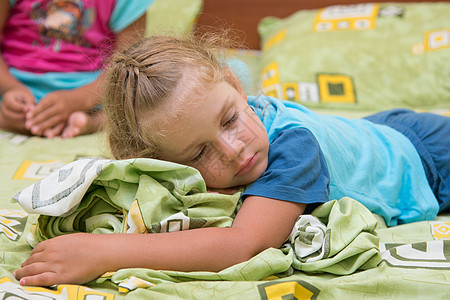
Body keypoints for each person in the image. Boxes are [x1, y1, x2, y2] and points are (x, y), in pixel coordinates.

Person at [14, 35, 450, 286]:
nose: (233, 150)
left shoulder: (294, 148)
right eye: (199, 153)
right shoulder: (204, 124)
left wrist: (102, 252)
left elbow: (246, 243)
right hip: (372, 136)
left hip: (428, 154)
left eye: (230, 119)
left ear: (237, 88)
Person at [0, 0, 153, 138]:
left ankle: (93, 121)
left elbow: (127, 63)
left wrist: (79, 100)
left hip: (95, 93)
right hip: (17, 90)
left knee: (145, 103)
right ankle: (22, 118)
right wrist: (11, 88)